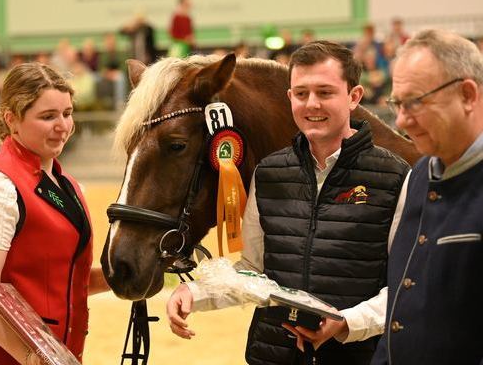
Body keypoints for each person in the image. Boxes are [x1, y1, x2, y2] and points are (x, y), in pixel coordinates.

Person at [166, 41, 410, 364]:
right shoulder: (268, 173)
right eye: (301, 93)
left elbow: (404, 285)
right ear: (289, 97)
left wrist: (348, 324)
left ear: (354, 97)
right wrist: (196, 293)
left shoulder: (394, 177)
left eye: (325, 93)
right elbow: (253, 271)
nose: (312, 104)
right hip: (272, 355)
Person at [0, 62, 110, 365]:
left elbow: (65, 281)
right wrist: (32, 356)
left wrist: (123, 278)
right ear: (12, 120)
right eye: (48, 116)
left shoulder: (68, 184)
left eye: (67, 113)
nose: (63, 126)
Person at [372, 29, 483, 364]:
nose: (403, 121)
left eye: (415, 102)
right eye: (397, 104)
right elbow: (399, 310)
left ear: (467, 94)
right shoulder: (417, 175)